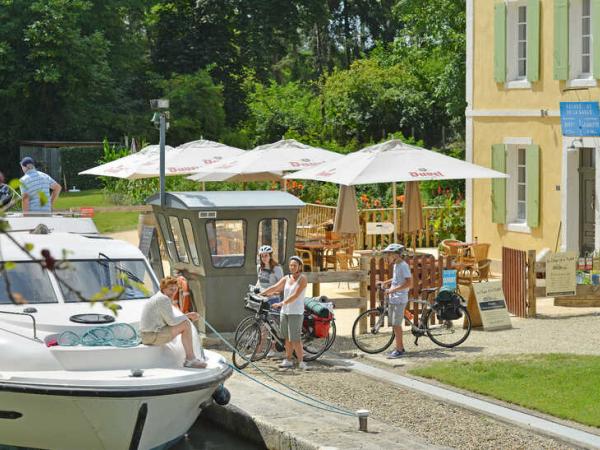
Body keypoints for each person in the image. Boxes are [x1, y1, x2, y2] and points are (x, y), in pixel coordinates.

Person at [140, 276, 207, 368]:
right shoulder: (163, 299)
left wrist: (186, 316)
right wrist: (189, 316)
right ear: (164, 289)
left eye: (175, 289)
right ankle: (190, 360)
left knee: (184, 323)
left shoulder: (158, 297)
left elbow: (171, 320)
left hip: (148, 336)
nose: (173, 292)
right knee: (186, 324)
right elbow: (172, 322)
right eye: (171, 289)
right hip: (152, 336)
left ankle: (190, 358)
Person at [261, 255, 308, 370]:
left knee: (295, 339)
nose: (292, 267)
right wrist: (260, 294)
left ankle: (301, 362)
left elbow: (295, 295)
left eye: (295, 265)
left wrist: (281, 303)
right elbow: (274, 287)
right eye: (291, 265)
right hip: (285, 312)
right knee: (287, 338)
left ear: (300, 266)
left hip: (296, 312)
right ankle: (288, 359)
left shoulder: (303, 279)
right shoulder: (286, 278)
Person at [379, 243, 412, 359]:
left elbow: (408, 283)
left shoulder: (403, 265)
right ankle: (399, 347)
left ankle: (399, 350)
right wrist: (386, 282)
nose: (387, 256)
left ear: (396, 255)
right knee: (394, 324)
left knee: (397, 325)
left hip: (400, 298)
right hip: (394, 298)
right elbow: (397, 278)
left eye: (389, 254)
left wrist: (393, 290)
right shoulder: (396, 265)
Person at [256, 245, 284, 357]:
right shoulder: (259, 267)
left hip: (273, 300)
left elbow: (281, 285)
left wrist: (274, 293)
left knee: (273, 325)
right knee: (263, 325)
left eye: (266, 256)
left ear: (270, 256)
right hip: (263, 299)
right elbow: (259, 282)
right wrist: (255, 290)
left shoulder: (277, 268)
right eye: (262, 256)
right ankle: (262, 349)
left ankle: (273, 349)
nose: (264, 258)